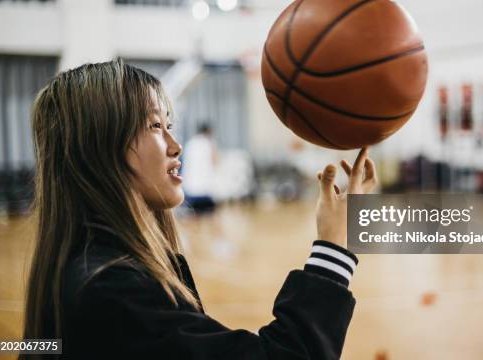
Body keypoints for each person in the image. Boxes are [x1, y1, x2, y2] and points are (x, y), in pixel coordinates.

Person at [21, 59, 378, 359]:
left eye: (170, 126)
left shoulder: (92, 269)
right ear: (100, 148)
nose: (175, 145)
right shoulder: (109, 290)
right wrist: (334, 248)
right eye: (155, 126)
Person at [182, 122, 217, 214]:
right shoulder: (208, 143)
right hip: (205, 191)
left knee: (195, 215)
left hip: (189, 190)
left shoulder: (190, 143)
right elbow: (214, 162)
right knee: (210, 216)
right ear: (208, 132)